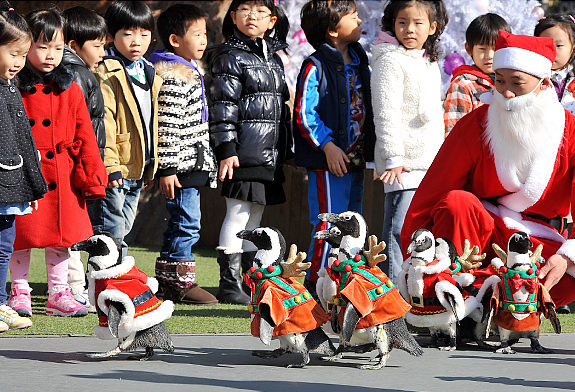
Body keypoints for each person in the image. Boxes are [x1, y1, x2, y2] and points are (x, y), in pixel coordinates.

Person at [401, 30, 575, 309]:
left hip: (538, 243)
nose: (506, 93)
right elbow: (432, 192)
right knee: (457, 202)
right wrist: (417, 259)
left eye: (517, 83)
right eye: (499, 81)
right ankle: (458, 299)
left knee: (569, 275)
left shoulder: (571, 131)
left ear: (543, 83)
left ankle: (503, 304)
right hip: (478, 235)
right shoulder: (476, 123)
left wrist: (568, 256)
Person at [8, 8, 107, 317]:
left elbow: (85, 135)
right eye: (42, 46)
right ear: (26, 44)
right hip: (24, 170)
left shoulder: (70, 87)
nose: (50, 55)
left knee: (61, 238)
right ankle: (19, 291)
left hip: (61, 173)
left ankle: (59, 292)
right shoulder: (13, 87)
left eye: (58, 47)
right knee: (19, 236)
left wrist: (92, 176)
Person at [209, 0, 291, 305]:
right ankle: (229, 284)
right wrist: (227, 149)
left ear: (271, 20)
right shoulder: (229, 55)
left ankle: (248, 280)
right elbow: (223, 106)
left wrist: (285, 149)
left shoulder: (274, 58)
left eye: (259, 11)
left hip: (266, 154)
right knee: (238, 212)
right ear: (233, 17)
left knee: (255, 215)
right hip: (242, 152)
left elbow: (278, 109)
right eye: (244, 10)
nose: (251, 16)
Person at [293, 0, 374, 296]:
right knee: (330, 224)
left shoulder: (360, 60)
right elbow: (304, 112)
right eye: (351, 15)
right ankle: (317, 286)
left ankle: (345, 287)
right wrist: (327, 146)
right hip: (329, 162)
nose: (358, 18)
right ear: (332, 30)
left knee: (354, 226)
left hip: (356, 159)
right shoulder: (314, 65)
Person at [371, 0, 447, 284]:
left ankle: (417, 297)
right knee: (398, 231)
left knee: (422, 234)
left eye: (418, 23)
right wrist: (393, 156)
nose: (409, 29)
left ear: (432, 27)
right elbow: (385, 112)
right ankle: (393, 301)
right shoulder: (390, 60)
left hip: (429, 162)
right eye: (402, 22)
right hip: (402, 164)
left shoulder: (428, 61)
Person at [149, 4, 218, 306]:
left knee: (183, 221)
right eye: (197, 34)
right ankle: (179, 283)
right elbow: (168, 125)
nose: (204, 40)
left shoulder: (189, 70)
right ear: (175, 40)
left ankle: (168, 282)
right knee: (186, 222)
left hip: (190, 162)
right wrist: (168, 168)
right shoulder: (176, 75)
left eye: (205, 34)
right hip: (180, 166)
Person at [93, 1, 161, 260]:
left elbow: (151, 122)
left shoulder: (149, 71)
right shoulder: (107, 72)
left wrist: (150, 163)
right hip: (115, 167)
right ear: (111, 35)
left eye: (144, 34)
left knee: (125, 227)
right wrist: (110, 165)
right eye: (128, 33)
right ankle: (105, 285)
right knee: (112, 232)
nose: (137, 41)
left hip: (138, 167)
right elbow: (104, 122)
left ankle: (111, 282)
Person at [0, 2, 47, 330]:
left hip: (11, 184)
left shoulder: (9, 87)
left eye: (22, 54)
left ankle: (0, 304)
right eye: (13, 53)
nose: (18, 62)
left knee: (4, 246)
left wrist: (29, 184)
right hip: (4, 183)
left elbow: (23, 142)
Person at [61, 5, 107, 312]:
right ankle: (74, 288)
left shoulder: (81, 72)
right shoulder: (75, 74)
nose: (103, 51)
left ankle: (71, 287)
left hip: (78, 162)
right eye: (98, 45)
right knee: (74, 230)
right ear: (75, 46)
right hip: (77, 164)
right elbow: (82, 127)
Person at [535, 14, 575, 314]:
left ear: (572, 46)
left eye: (559, 44)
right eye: (545, 44)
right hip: (540, 164)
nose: (553, 51)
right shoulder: (529, 80)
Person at [444, 13, 511, 136]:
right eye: (482, 49)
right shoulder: (463, 84)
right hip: (475, 152)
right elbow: (454, 133)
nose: (489, 55)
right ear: (469, 49)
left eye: (495, 48)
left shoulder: (512, 82)